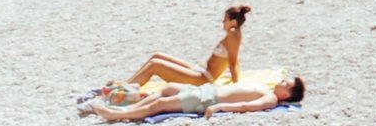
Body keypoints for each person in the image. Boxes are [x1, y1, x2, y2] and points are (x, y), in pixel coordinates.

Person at [125, 5, 250, 88]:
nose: (222, 22)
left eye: (225, 20)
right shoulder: (232, 34)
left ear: (233, 22)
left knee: (155, 65)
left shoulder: (233, 34)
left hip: (202, 79)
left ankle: (125, 89)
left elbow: (233, 62)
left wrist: (236, 85)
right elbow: (234, 58)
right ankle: (127, 84)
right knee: (157, 56)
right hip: (199, 71)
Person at [79, 78, 304, 121]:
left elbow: (246, 106)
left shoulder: (270, 98)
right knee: (168, 88)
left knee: (160, 104)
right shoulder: (267, 88)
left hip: (207, 98)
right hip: (206, 90)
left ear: (286, 94)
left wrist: (220, 107)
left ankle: (118, 115)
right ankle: (134, 107)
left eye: (287, 83)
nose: (282, 80)